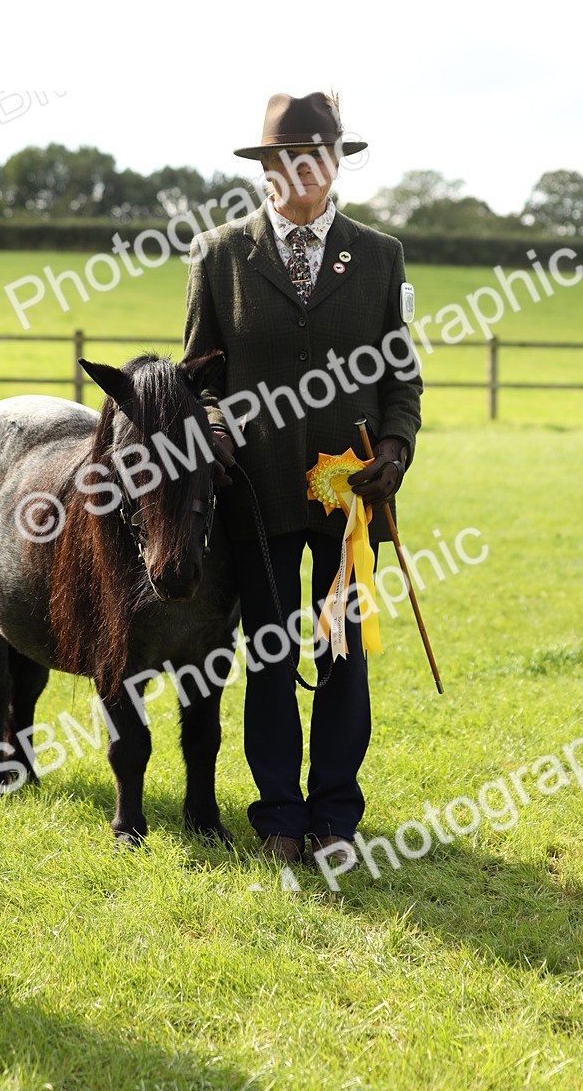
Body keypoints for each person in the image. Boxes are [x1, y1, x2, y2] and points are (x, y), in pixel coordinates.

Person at [182, 90, 423, 868]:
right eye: (288, 157)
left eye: (318, 155)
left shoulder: (380, 255)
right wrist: (214, 426)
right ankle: (280, 817)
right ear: (267, 168)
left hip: (354, 500)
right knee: (271, 657)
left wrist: (395, 449)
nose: (304, 169)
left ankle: (335, 817)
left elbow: (401, 378)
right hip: (255, 497)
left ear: (336, 162)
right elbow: (200, 377)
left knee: (345, 656)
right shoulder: (219, 255)